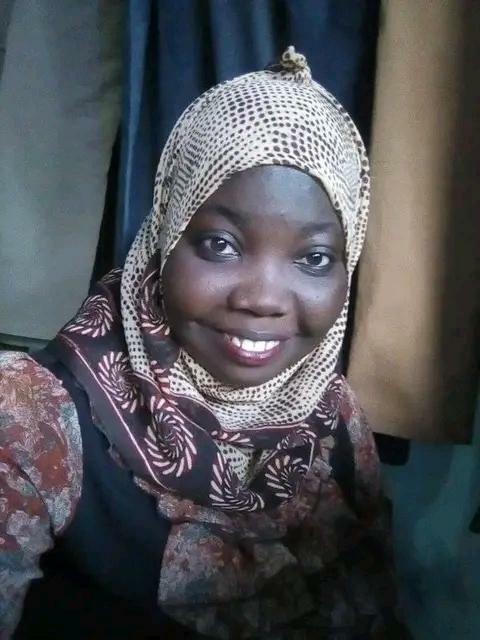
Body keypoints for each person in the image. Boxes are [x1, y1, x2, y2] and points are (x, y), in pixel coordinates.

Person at [0, 47, 403, 639]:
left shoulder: (334, 416)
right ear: (165, 234)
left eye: (315, 258)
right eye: (221, 244)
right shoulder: (32, 414)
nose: (263, 298)